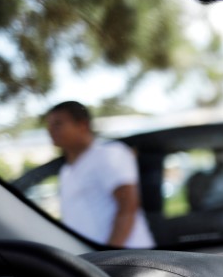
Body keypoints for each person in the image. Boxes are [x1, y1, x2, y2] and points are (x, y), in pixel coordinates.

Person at [45, 101, 155, 248]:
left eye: (58, 124)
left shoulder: (109, 154)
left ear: (82, 125)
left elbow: (128, 207)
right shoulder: (66, 171)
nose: (51, 130)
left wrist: (110, 255)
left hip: (127, 260)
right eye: (49, 125)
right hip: (93, 263)